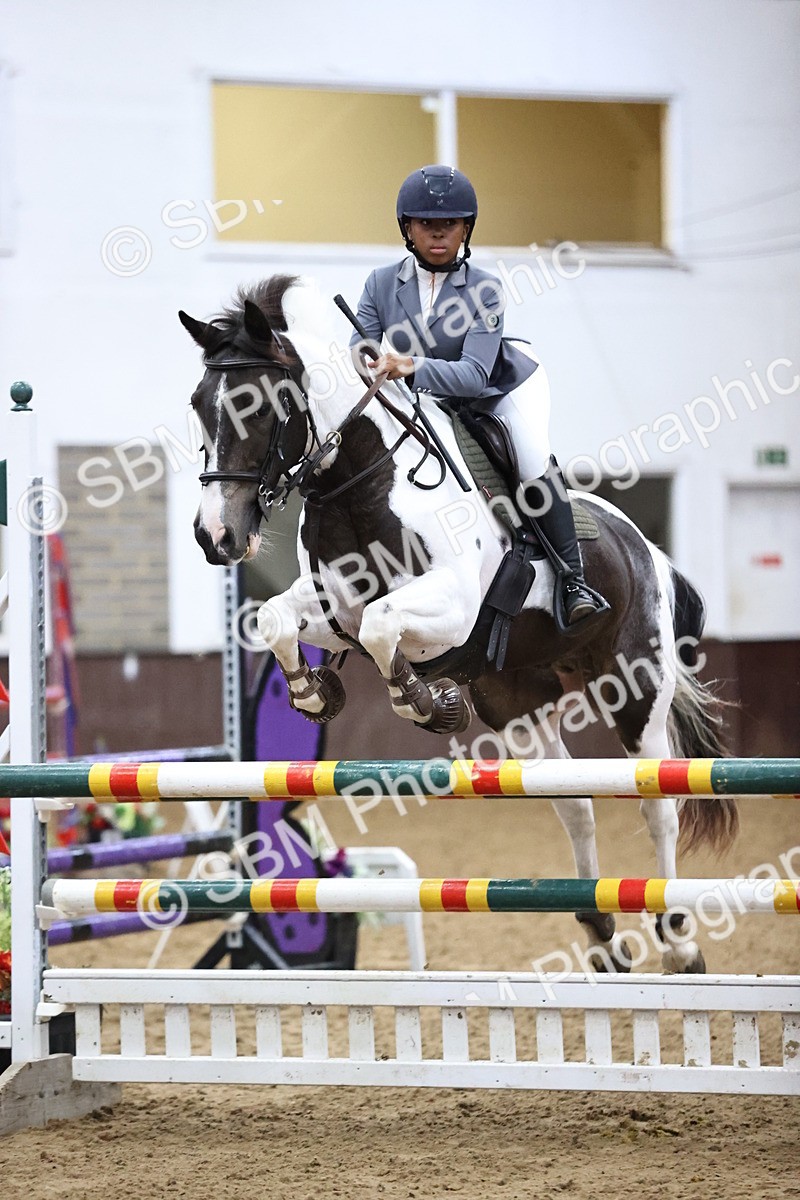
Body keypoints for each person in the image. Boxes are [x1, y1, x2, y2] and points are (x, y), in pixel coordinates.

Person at [350, 163, 609, 630]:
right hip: (426, 395)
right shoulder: (380, 283)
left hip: (498, 389)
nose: (438, 233)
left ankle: (573, 580)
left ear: (465, 229)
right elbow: (360, 350)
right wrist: (367, 360)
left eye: (449, 223)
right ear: (407, 228)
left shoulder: (485, 289)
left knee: (530, 456)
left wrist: (409, 366)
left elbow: (472, 376)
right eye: (426, 223)